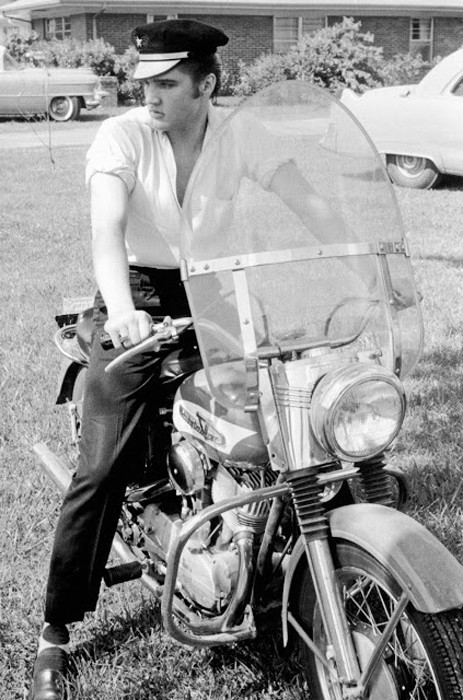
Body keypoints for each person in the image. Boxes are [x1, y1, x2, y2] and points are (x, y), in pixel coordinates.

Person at [28, 18, 351, 700]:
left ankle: (308, 556)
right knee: (102, 464)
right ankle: (56, 628)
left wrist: (361, 264)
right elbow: (107, 229)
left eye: (167, 84)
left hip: (215, 288)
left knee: (295, 417)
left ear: (206, 85)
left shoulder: (240, 135)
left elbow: (310, 202)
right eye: (143, 83)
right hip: (138, 294)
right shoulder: (122, 136)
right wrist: (122, 309)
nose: (149, 96)